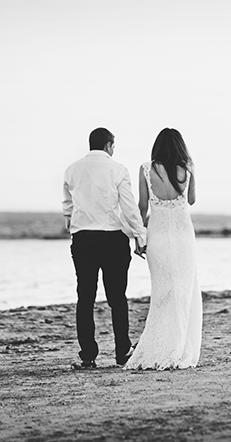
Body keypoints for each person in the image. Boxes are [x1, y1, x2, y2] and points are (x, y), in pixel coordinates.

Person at [62, 128, 146, 370]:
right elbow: (129, 208)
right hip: (112, 239)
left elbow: (67, 203)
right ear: (109, 145)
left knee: (85, 297)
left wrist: (72, 223)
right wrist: (140, 235)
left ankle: (88, 355)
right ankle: (122, 352)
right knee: (117, 298)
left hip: (83, 239)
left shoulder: (72, 169)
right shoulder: (118, 169)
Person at [124, 128, 202, 370]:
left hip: (157, 235)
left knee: (162, 291)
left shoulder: (146, 169)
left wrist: (139, 237)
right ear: (180, 146)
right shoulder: (187, 168)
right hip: (182, 235)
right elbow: (191, 200)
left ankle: (160, 344)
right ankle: (179, 346)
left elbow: (142, 206)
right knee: (184, 289)